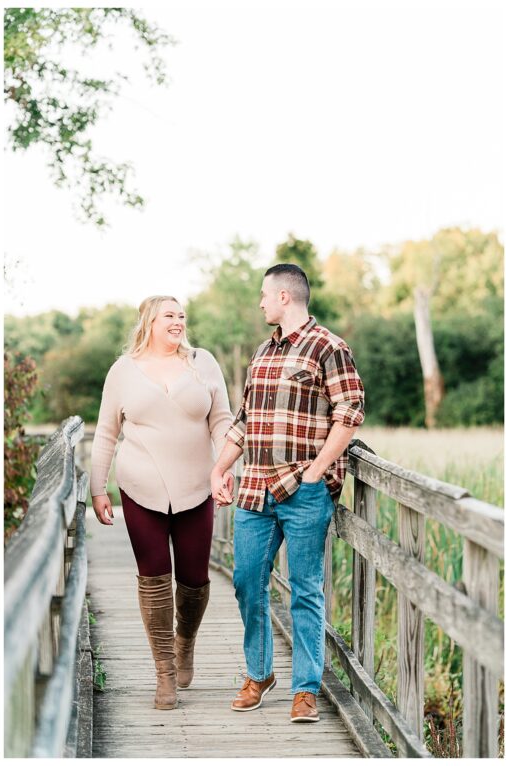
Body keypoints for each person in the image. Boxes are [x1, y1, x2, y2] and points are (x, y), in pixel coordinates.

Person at [210, 263, 365, 724]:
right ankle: (259, 674)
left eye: (263, 295)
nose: (259, 302)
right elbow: (244, 420)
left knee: (305, 589)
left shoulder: (330, 348)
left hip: (304, 489)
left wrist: (317, 472)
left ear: (284, 297)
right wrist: (220, 468)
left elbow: (350, 413)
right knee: (245, 583)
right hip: (255, 488)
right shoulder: (262, 353)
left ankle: (305, 689)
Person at [90, 296, 233, 710]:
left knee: (195, 580)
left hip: (196, 486)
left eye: (182, 314)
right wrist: (99, 488)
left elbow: (222, 419)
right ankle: (165, 672)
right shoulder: (123, 371)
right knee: (153, 577)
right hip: (140, 487)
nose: (179, 320)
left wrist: (223, 469)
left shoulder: (202, 362)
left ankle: (185, 640)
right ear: (149, 322)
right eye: (169, 315)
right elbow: (105, 432)